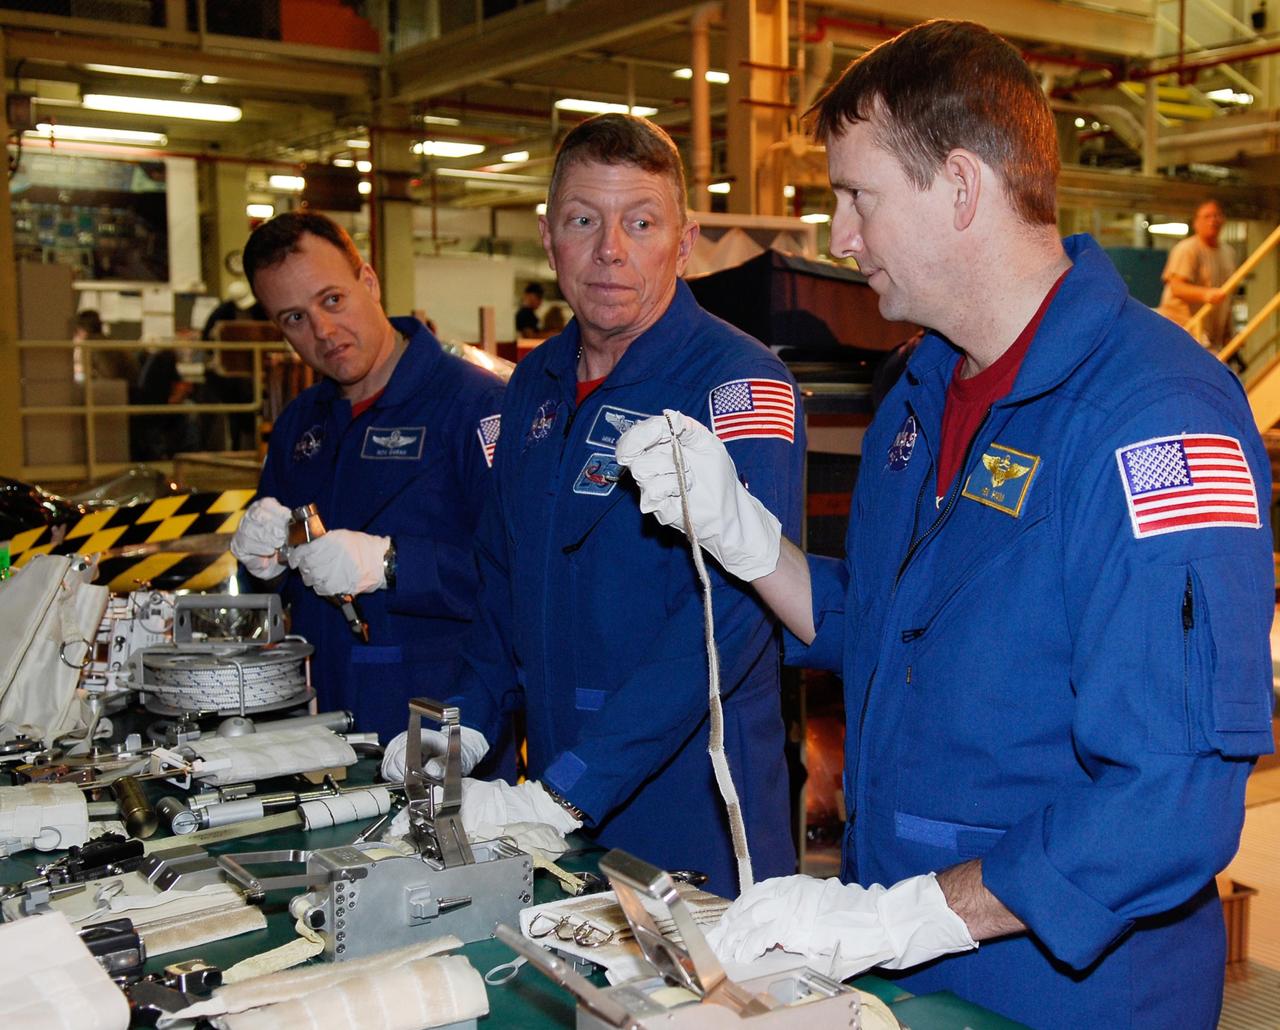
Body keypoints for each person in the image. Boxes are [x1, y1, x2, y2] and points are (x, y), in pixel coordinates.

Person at [617, 20, 1273, 1028]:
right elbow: (883, 627)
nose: (837, 236)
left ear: (959, 188)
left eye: (855, 197)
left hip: (1062, 995)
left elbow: (1168, 799)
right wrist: (742, 537)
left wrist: (903, 917)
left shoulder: (1153, 417)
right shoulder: (917, 397)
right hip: (910, 971)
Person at [444, 113, 806, 898]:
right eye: (584, 220)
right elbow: (501, 581)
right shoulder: (534, 385)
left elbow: (734, 616)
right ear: (549, 239)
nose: (610, 249)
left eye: (640, 223)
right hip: (556, 799)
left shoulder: (737, 386)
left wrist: (571, 785)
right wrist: (459, 728)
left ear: (683, 241)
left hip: (692, 800)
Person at [228, 212, 505, 744]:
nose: (323, 332)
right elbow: (276, 590)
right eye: (294, 319)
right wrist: (262, 566)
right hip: (320, 725)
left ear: (370, 282)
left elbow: (518, 581)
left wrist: (393, 563)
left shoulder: (474, 405)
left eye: (332, 300)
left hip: (438, 722)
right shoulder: (300, 423)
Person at [1156, 198, 1238, 350]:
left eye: (1217, 216)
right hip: (1182, 328)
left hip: (1210, 333)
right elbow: (1176, 287)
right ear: (1196, 223)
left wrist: (1228, 332)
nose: (1213, 221)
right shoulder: (1187, 249)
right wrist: (1205, 294)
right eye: (1207, 216)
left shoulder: (1229, 253)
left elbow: (1227, 296)